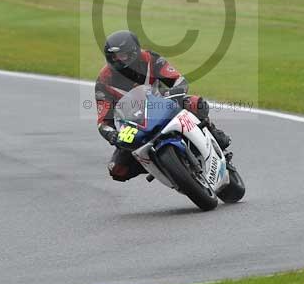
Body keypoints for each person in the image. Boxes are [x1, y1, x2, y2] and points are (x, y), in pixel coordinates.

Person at [95, 30, 232, 182]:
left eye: (121, 55)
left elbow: (178, 80)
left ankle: (213, 133)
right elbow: (103, 122)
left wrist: (174, 92)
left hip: (163, 106)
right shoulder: (104, 80)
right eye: (113, 56)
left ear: (133, 52)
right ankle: (157, 163)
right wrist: (111, 134)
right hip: (134, 124)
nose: (117, 60)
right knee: (117, 170)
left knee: (195, 103)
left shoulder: (150, 58)